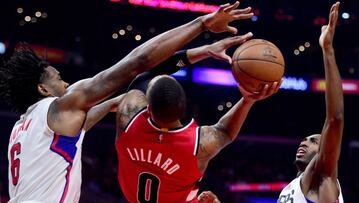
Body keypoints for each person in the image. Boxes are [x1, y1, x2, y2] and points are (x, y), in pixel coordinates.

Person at [0, 2, 254, 202]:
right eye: (59, 79)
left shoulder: (23, 128)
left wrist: (114, 103)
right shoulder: (61, 106)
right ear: (43, 88)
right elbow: (138, 63)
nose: (66, 84)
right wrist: (202, 24)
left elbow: (90, 118)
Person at [115, 49, 281, 202]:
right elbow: (226, 131)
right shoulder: (198, 143)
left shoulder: (127, 120)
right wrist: (247, 100)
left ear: (148, 108)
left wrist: (201, 52)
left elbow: (144, 76)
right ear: (184, 108)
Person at [277, 2, 344, 203]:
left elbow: (335, 119)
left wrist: (328, 51)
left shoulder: (324, 179)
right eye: (305, 139)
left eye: (314, 141)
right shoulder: (291, 188)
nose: (304, 142)